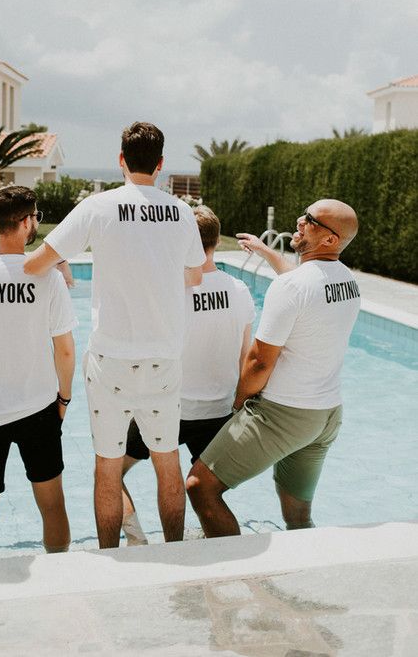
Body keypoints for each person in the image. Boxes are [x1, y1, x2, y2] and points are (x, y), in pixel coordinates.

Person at [24, 122, 206, 548]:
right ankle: (174, 553)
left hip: (110, 362)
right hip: (164, 358)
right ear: (160, 165)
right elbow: (195, 274)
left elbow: (36, 263)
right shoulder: (180, 211)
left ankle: (110, 561)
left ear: (121, 160)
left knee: (107, 466)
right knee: (168, 463)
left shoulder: (99, 206)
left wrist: (59, 264)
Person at [187, 199, 360, 536]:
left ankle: (236, 577)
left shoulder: (292, 287)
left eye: (310, 220)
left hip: (283, 415)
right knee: (298, 517)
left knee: (199, 486)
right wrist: (267, 252)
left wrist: (237, 405)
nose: (299, 220)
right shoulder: (348, 282)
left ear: (330, 239)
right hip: (324, 416)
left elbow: (259, 361)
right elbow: (304, 287)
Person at [0, 186, 77, 560]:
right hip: (38, 406)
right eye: (35, 216)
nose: (36, 222)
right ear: (25, 223)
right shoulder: (47, 278)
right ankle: (59, 575)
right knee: (51, 503)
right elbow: (65, 349)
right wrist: (64, 399)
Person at [120, 205, 255, 545]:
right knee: (206, 493)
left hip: (170, 409)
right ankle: (217, 553)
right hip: (220, 413)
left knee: (109, 473)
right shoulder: (238, 290)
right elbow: (245, 356)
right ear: (216, 241)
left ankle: (138, 541)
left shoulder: (170, 291)